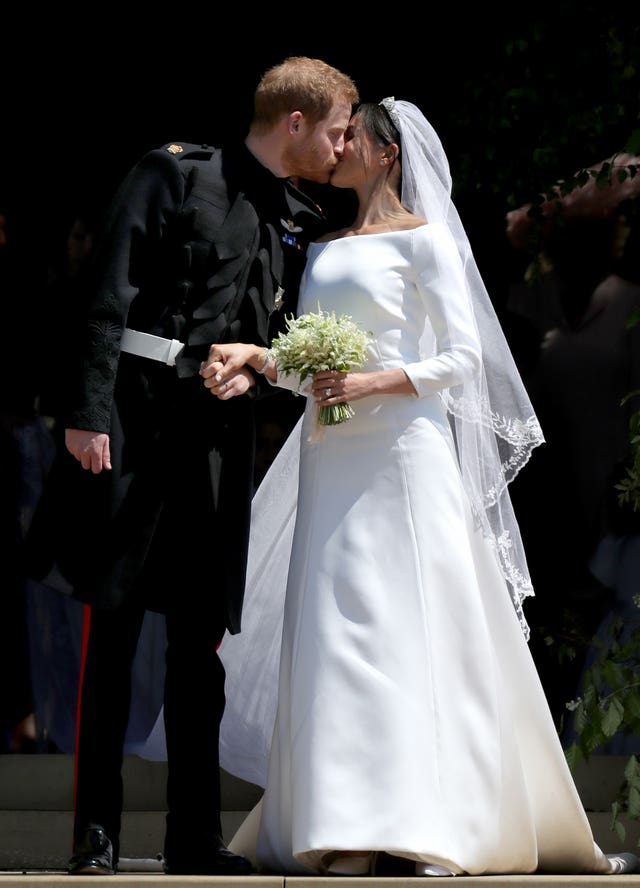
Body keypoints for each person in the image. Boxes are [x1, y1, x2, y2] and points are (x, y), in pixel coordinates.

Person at [199, 99, 639, 876]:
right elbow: (310, 362)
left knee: (411, 627)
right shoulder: (324, 246)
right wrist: (265, 360)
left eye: (351, 139)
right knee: (337, 632)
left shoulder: (428, 242)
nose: (338, 150)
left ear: (387, 153)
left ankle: (428, 819)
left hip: (404, 451)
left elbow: (463, 358)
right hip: (332, 454)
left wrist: (372, 379)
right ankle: (342, 825)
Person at [25, 56, 359, 876]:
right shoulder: (174, 173)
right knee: (114, 633)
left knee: (196, 644)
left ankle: (192, 836)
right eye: (338, 127)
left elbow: (281, 333)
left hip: (218, 446)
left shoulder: (294, 214)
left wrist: (255, 367)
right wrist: (87, 414)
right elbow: (105, 291)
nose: (342, 144)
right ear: (297, 121)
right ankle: (95, 833)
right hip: (134, 427)